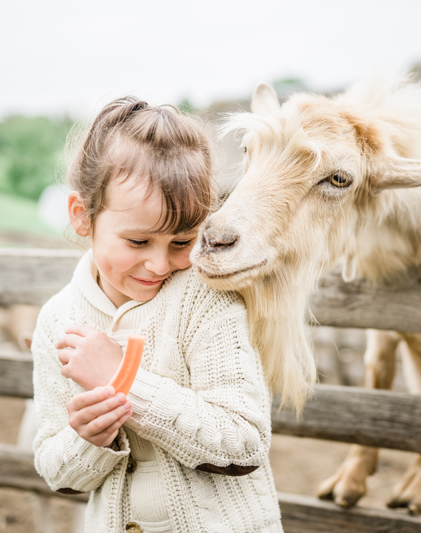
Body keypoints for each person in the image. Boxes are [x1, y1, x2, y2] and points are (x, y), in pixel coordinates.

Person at [31, 97, 282, 533]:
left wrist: (122, 382)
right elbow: (57, 472)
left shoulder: (206, 298)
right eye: (138, 242)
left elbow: (245, 442)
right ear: (82, 216)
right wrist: (89, 440)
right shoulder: (57, 320)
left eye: (182, 242)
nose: (160, 265)